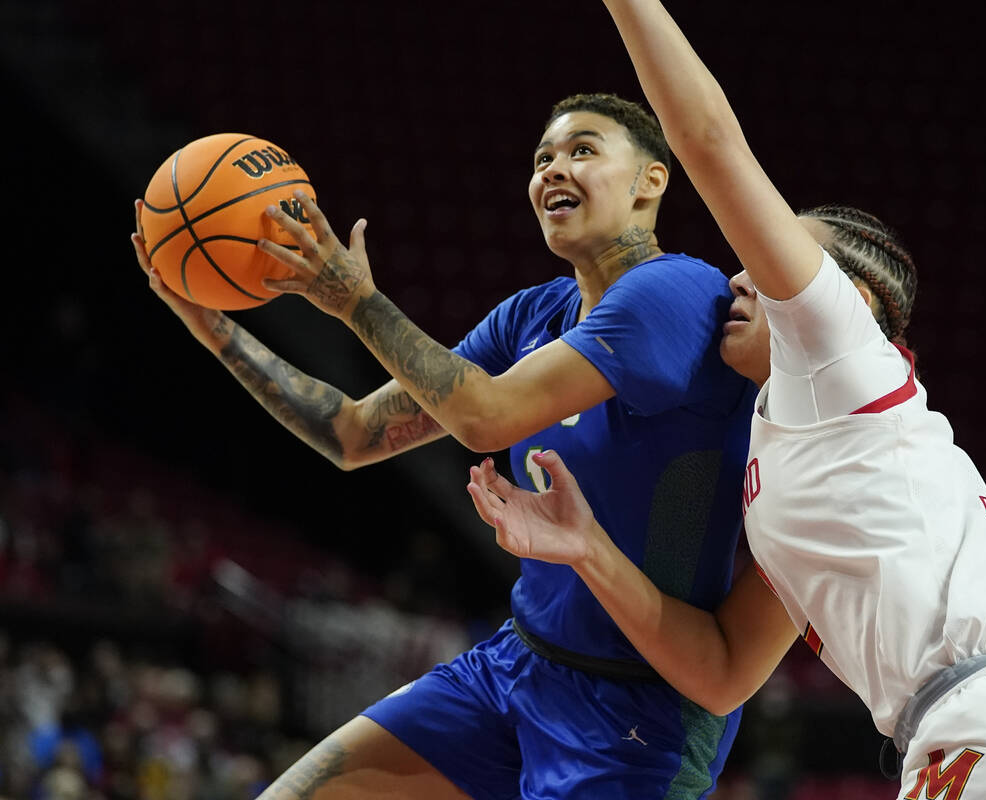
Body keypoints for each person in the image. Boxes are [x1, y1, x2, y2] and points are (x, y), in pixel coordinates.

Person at [465, 2, 986, 797]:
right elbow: (718, 674)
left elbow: (710, 143)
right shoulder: (786, 464)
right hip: (943, 746)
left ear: (843, 299)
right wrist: (588, 549)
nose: (741, 275)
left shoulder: (845, 360)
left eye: (772, 260)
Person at [131, 92, 756, 799]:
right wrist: (215, 329)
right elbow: (354, 434)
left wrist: (352, 300)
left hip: (638, 712)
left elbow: (486, 420)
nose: (553, 169)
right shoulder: (534, 311)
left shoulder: (679, 292)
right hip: (514, 667)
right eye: (542, 158)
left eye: (583, 150)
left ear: (652, 180)